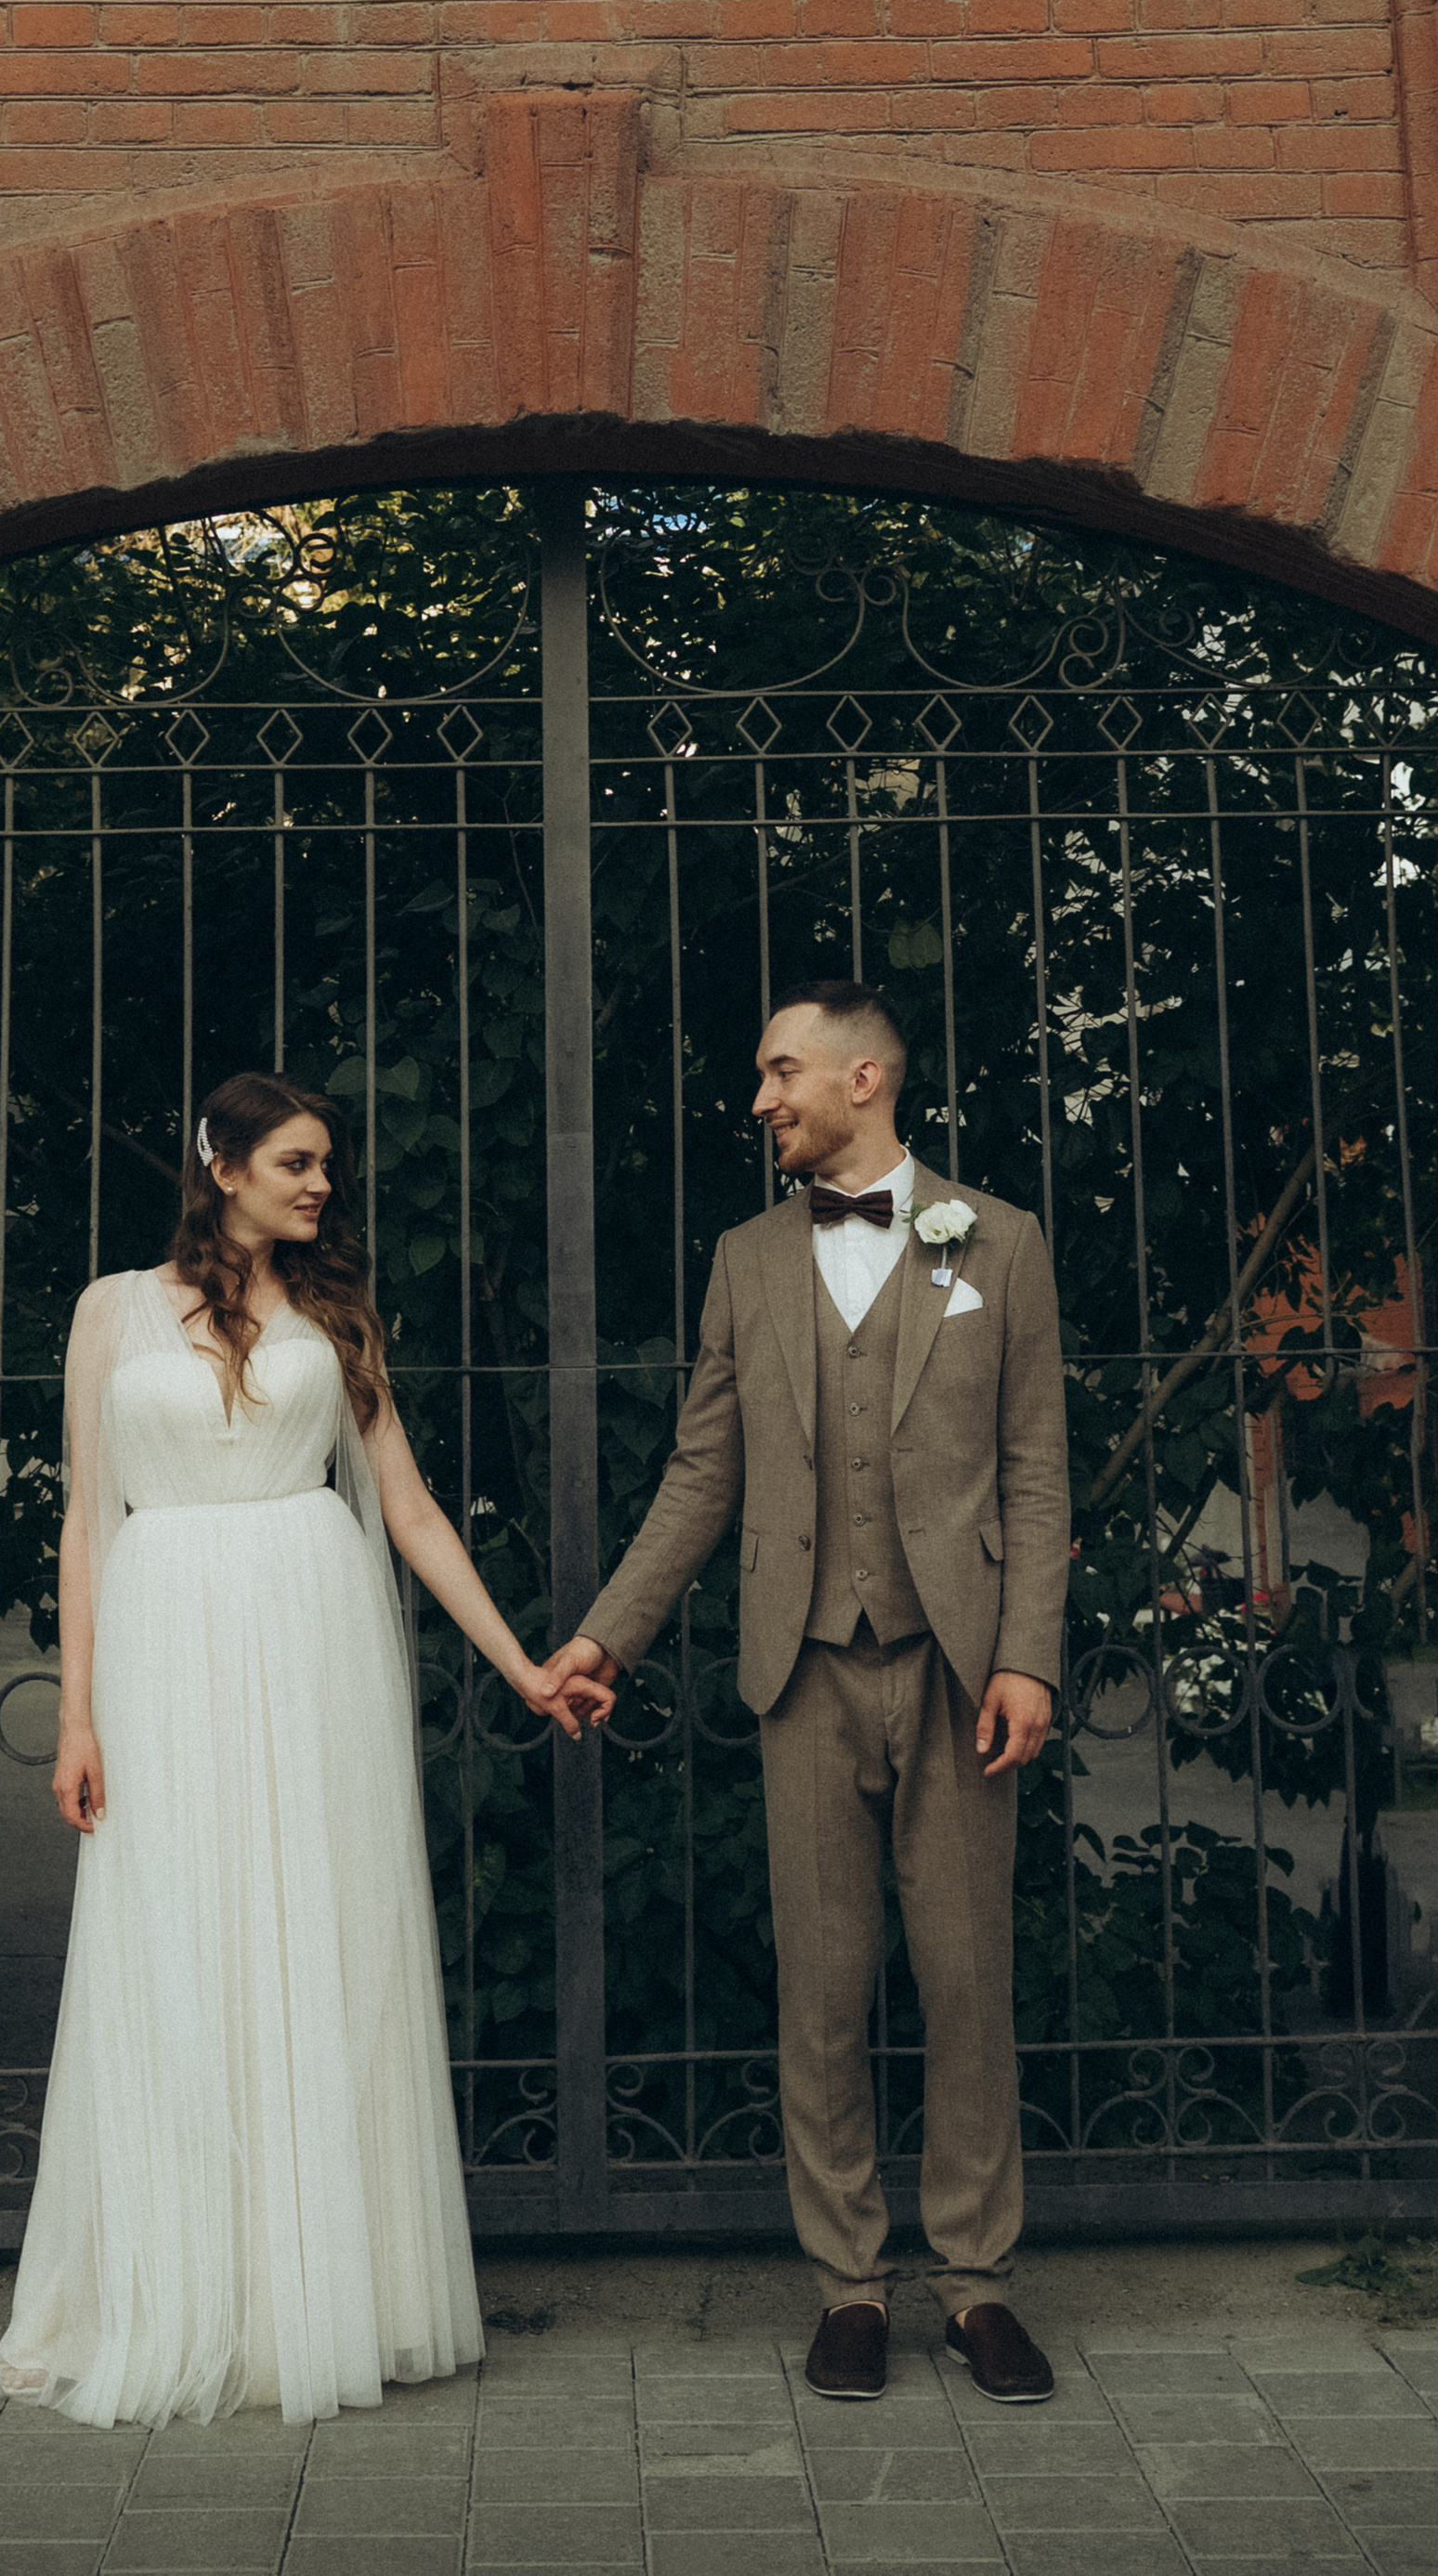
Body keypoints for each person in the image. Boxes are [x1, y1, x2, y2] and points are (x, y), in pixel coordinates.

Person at [0, 1071, 611, 2429]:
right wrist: (77, 1712)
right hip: (165, 1645)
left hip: (309, 1639)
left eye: (327, 1163)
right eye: (296, 1160)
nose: (322, 1183)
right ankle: (172, 2289)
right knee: (177, 1942)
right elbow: (89, 1521)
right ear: (222, 1164)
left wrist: (520, 1663)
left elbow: (411, 1511)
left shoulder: (332, 1319)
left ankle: (318, 2290)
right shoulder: (112, 1311)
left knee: (310, 1939)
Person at [541, 982, 1070, 2406]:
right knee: (822, 1996)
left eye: (782, 1072)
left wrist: (1028, 1652)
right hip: (802, 1669)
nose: (761, 1098)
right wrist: (609, 1635)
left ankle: (976, 2289)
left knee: (967, 1988)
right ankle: (848, 2284)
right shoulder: (745, 1260)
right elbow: (703, 1471)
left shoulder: (999, 1243)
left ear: (866, 1074)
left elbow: (1034, 1467)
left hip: (960, 1670)